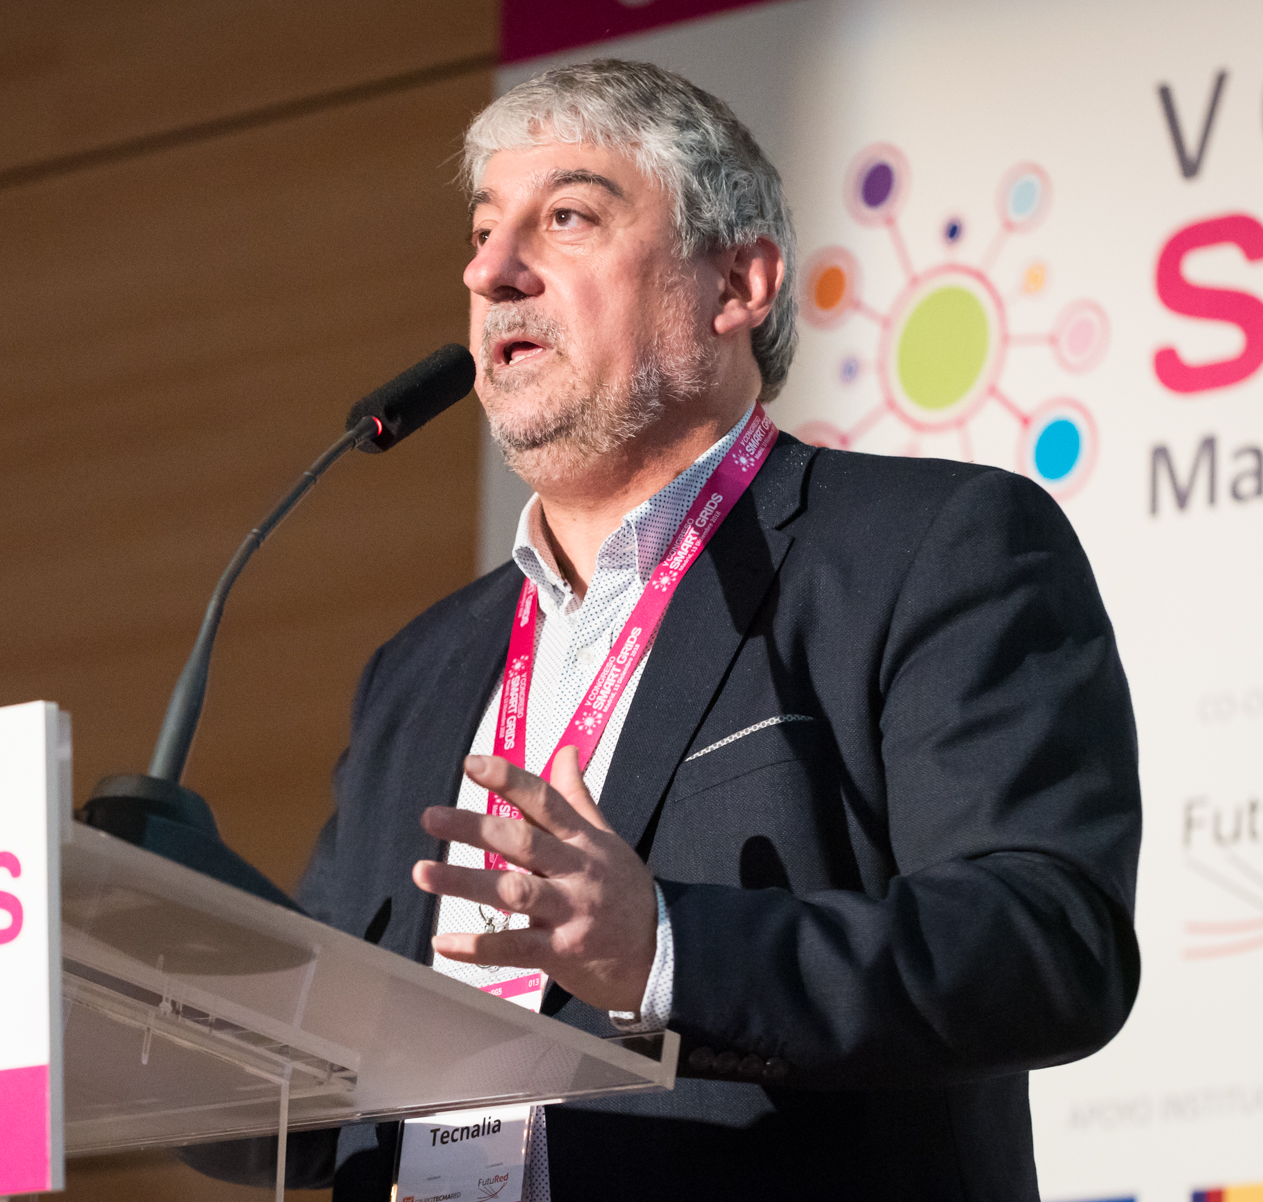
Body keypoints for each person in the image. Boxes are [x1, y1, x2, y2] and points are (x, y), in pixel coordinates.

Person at [190, 58, 1141, 1201]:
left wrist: (664, 951)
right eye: (484, 231)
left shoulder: (933, 548)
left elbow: (1049, 943)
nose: (490, 270)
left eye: (567, 217)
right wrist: (138, 989)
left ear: (736, 282)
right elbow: (301, 1108)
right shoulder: (418, 670)